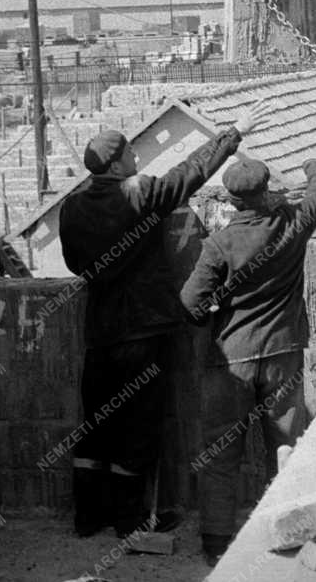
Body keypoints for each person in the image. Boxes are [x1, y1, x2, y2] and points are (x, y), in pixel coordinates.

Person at [58, 98, 271, 541]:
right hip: (143, 331)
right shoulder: (142, 193)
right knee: (138, 428)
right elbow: (191, 173)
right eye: (130, 154)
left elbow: (78, 266)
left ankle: (87, 517)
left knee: (97, 425)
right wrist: (234, 133)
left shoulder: (73, 208)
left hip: (100, 333)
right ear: (117, 165)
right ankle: (132, 521)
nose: (137, 158)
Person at [181, 155, 316, 567]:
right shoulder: (292, 224)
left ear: (231, 200)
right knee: (285, 446)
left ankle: (217, 544)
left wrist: (213, 310)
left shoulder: (219, 245)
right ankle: (286, 531)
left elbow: (190, 303)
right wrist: (311, 164)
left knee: (220, 453)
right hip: (283, 354)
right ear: (266, 190)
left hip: (230, 360)